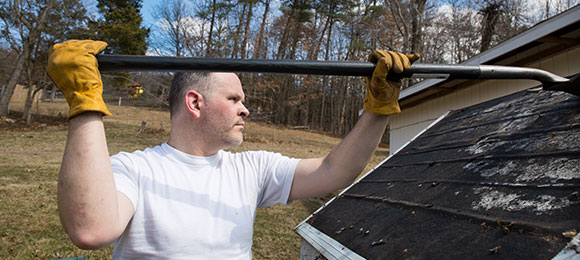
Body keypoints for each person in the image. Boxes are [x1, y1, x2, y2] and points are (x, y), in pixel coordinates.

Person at [47, 40, 419, 259]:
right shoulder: (134, 170)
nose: (246, 108)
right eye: (234, 98)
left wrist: (378, 108)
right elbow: (91, 230)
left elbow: (333, 171)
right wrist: (84, 101)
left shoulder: (251, 169)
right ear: (195, 104)